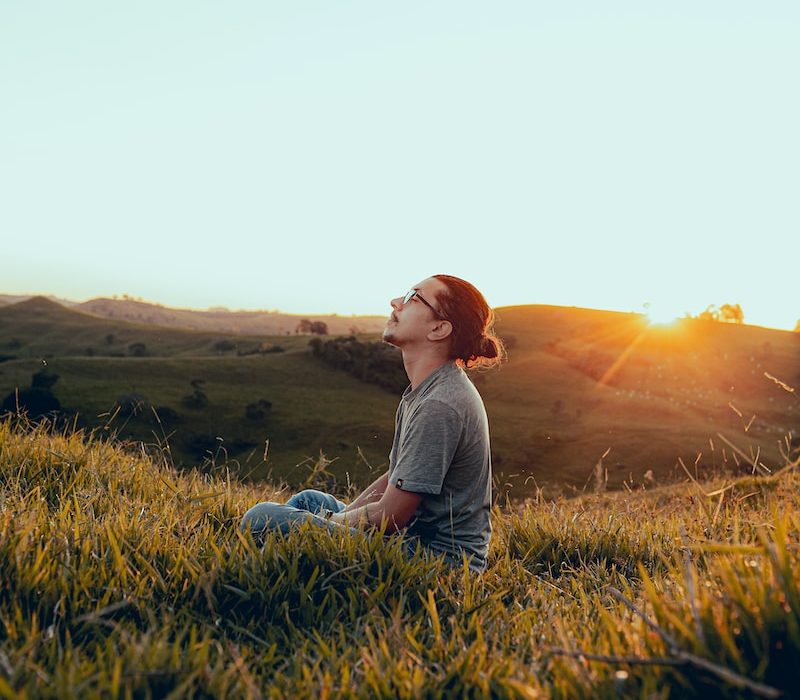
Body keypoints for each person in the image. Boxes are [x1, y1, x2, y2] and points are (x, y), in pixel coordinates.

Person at [239, 274, 503, 572]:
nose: (395, 302)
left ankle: (283, 564)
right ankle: (287, 562)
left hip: (439, 563)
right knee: (310, 501)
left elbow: (391, 517)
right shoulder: (431, 389)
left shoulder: (439, 404)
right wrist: (338, 521)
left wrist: (333, 524)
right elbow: (396, 477)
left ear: (439, 329)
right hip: (412, 542)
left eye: (413, 297)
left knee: (260, 518)